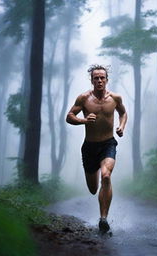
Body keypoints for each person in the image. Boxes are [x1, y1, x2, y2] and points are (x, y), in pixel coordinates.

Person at [66, 65, 127, 233]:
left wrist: (121, 126)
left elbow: (123, 113)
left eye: (102, 78)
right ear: (92, 80)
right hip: (89, 147)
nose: (99, 80)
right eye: (96, 78)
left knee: (106, 176)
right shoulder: (84, 98)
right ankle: (102, 214)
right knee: (93, 189)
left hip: (108, 144)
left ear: (107, 80)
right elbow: (69, 117)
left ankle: (103, 219)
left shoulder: (115, 98)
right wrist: (84, 121)